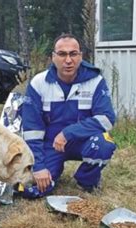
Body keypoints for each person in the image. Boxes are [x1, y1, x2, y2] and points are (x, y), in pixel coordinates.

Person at [20, 33, 116, 198]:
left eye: (73, 54)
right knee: (34, 190)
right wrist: (39, 166)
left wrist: (68, 133)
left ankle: (86, 181)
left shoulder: (95, 81)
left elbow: (107, 118)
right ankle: (52, 169)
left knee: (104, 144)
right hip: (50, 145)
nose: (68, 60)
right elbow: (31, 129)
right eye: (62, 54)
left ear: (80, 56)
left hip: (82, 141)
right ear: (53, 57)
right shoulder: (38, 83)